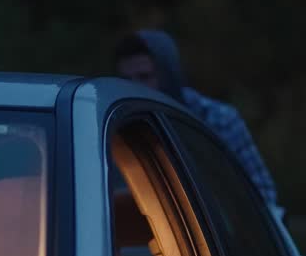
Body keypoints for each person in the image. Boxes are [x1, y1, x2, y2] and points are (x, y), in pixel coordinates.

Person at [115, 29, 281, 213]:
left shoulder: (217, 120)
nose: (134, 87)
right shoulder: (117, 128)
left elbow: (262, 195)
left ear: (167, 74)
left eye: (145, 77)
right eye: (127, 79)